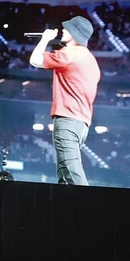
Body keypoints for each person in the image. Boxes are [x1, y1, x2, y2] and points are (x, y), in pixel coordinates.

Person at [29, 14, 100, 186]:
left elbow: (35, 60)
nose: (62, 29)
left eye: (67, 28)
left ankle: (89, 208)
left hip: (67, 120)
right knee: (64, 172)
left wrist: (45, 39)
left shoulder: (70, 54)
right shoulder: (91, 60)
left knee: (72, 172)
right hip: (81, 124)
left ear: (75, 33)